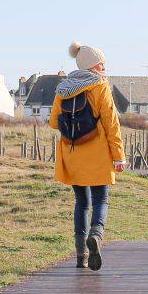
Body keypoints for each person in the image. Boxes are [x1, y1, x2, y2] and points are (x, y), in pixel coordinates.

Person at [49, 41, 125, 270]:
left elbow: (54, 122)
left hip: (72, 153)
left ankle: (81, 255)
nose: (104, 69)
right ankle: (96, 234)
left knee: (81, 203)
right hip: (98, 153)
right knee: (101, 198)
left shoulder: (63, 89)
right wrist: (118, 156)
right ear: (93, 67)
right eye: (102, 65)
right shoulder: (100, 87)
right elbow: (112, 124)